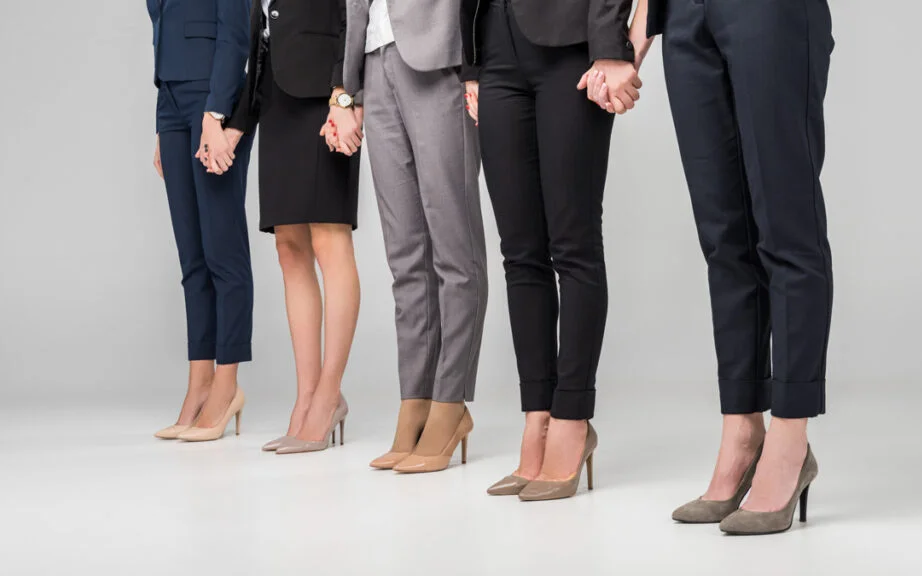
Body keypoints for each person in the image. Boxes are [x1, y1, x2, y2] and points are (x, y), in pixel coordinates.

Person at [612, 0, 834, 534]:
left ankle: (789, 440)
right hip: (684, 13)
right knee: (724, 236)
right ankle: (741, 431)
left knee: (786, 227)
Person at [460, 0, 640, 500]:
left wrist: (608, 45)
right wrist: (469, 64)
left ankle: (572, 417)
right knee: (520, 253)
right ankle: (536, 416)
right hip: (494, 42)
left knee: (574, 244)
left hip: (571, 42)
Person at [342, 0, 488, 473]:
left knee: (453, 247)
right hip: (373, 60)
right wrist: (348, 90)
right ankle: (416, 401)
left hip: (438, 54)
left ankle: (451, 403)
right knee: (405, 256)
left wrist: (474, 64)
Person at [217, 0, 361, 454]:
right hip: (277, 99)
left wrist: (344, 94)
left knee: (329, 239)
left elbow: (350, 15)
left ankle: (327, 397)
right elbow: (264, 36)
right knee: (289, 247)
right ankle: (307, 396)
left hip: (325, 96)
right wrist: (239, 123)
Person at [149, 0, 254, 442]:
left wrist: (217, 112)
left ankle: (227, 385)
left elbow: (235, 32)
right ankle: (199, 384)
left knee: (221, 250)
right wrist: (162, 126)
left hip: (212, 96)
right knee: (192, 257)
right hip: (170, 98)